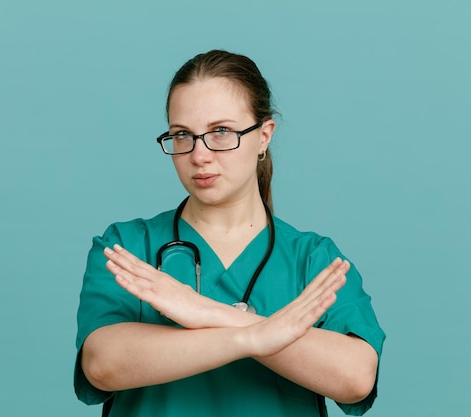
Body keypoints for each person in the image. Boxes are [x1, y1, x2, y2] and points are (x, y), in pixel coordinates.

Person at [74, 50, 385, 417]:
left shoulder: (312, 258)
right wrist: (254, 337)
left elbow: (355, 378)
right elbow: (102, 365)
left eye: (221, 132)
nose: (200, 155)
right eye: (182, 135)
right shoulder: (127, 247)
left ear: (264, 136)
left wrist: (204, 311)